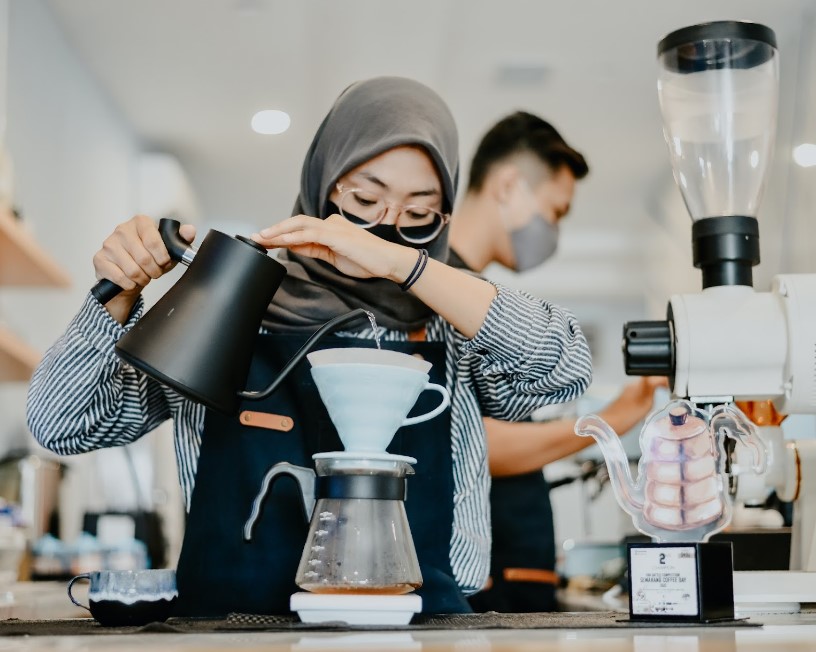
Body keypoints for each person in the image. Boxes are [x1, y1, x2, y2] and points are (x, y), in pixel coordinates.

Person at [26, 78, 592, 616]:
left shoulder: (451, 328)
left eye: (418, 214)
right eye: (365, 200)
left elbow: (565, 367)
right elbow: (62, 424)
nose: (385, 229)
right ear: (324, 183)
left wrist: (405, 267)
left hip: (423, 633)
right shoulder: (234, 314)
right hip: (229, 636)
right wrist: (118, 299)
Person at [448, 111, 664, 612]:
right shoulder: (445, 298)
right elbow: (474, 445)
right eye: (556, 211)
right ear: (508, 184)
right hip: (489, 593)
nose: (556, 231)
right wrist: (604, 424)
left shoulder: (481, 301)